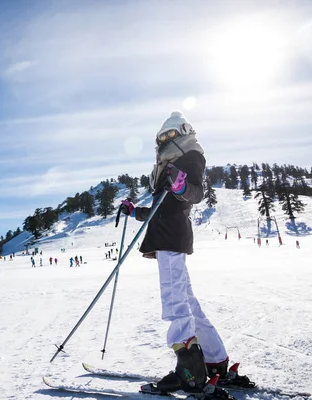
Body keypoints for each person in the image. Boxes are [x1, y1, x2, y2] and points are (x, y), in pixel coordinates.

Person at [119, 112, 251, 397]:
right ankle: (216, 362)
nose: (165, 141)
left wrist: (181, 187)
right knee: (188, 302)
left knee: (175, 300)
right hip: (168, 235)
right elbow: (160, 209)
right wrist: (134, 211)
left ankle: (190, 373)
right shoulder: (168, 166)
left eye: (170, 135)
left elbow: (195, 193)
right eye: (161, 138)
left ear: (183, 132)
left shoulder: (190, 156)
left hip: (171, 238)